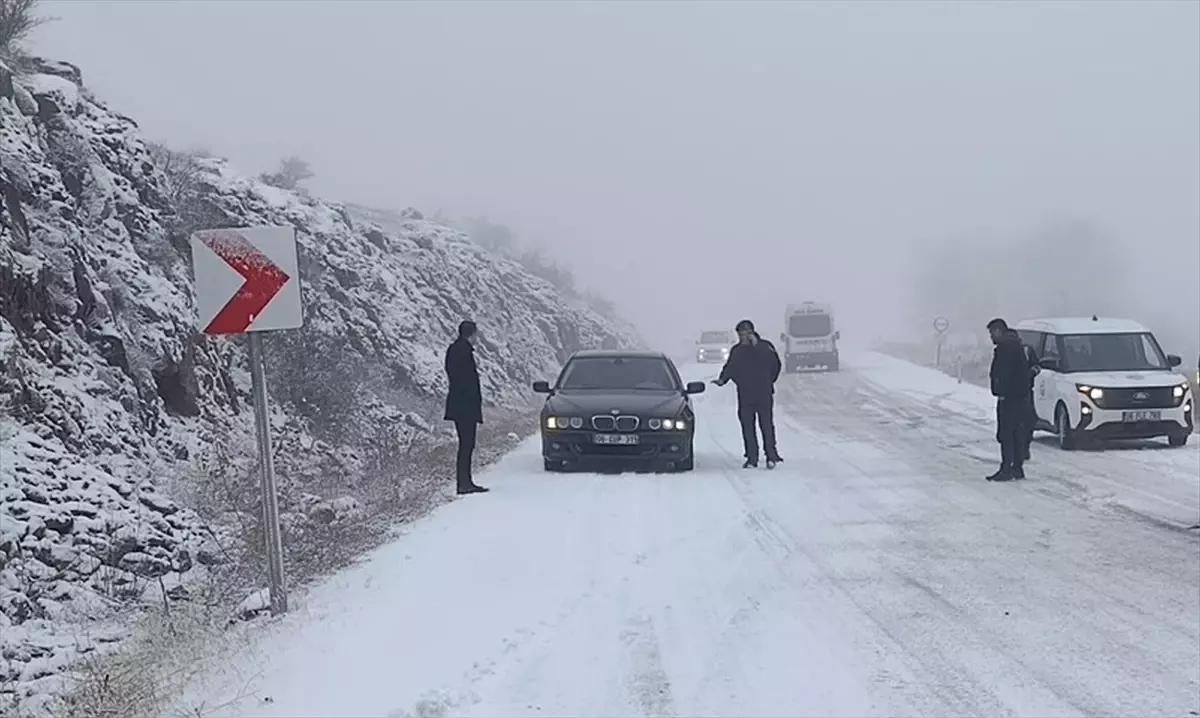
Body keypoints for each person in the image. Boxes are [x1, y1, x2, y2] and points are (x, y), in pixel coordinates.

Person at [711, 319, 784, 469]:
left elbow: (775, 365)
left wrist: (769, 381)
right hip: (745, 394)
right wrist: (722, 380)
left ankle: (771, 455)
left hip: (764, 393)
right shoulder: (737, 350)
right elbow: (730, 367)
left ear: (752, 332)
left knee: (766, 425)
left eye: (746, 333)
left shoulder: (765, 347)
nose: (743, 337)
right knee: (747, 426)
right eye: (740, 334)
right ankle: (752, 457)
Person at [444, 320, 488, 495]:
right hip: (465, 406)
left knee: (466, 444)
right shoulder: (463, 352)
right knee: (467, 444)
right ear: (471, 334)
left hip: (458, 405)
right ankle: (464, 483)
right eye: (476, 334)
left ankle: (465, 482)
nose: (477, 338)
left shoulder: (454, 350)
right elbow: (466, 381)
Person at [986, 318, 1029, 481]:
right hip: (1019, 397)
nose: (991, 337)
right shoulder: (1016, 344)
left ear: (998, 331)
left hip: (1009, 397)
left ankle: (1006, 469)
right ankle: (1017, 468)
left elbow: (1003, 373)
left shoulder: (1005, 347)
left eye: (991, 333)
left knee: (1006, 433)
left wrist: (1000, 390)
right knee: (1017, 432)